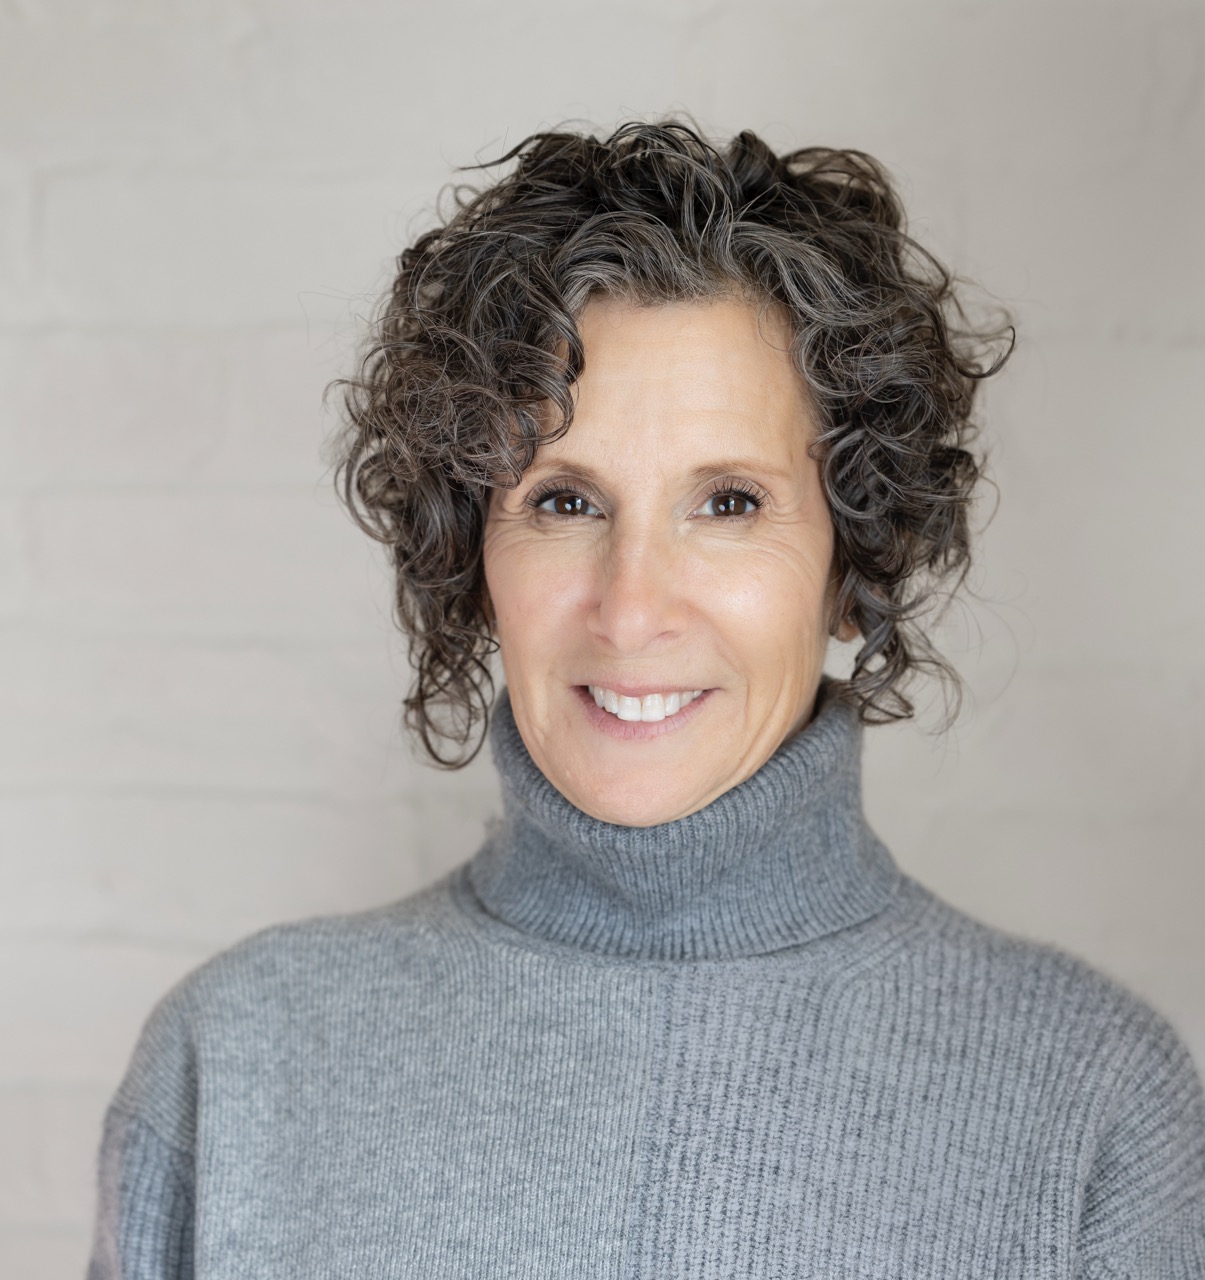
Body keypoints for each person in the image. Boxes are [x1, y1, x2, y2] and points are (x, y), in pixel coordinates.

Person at [88, 121, 1205, 1278]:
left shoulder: (1092, 1104)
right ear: (474, 553)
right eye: (565, 502)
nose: (630, 610)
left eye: (726, 502)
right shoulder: (235, 1061)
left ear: (852, 567)